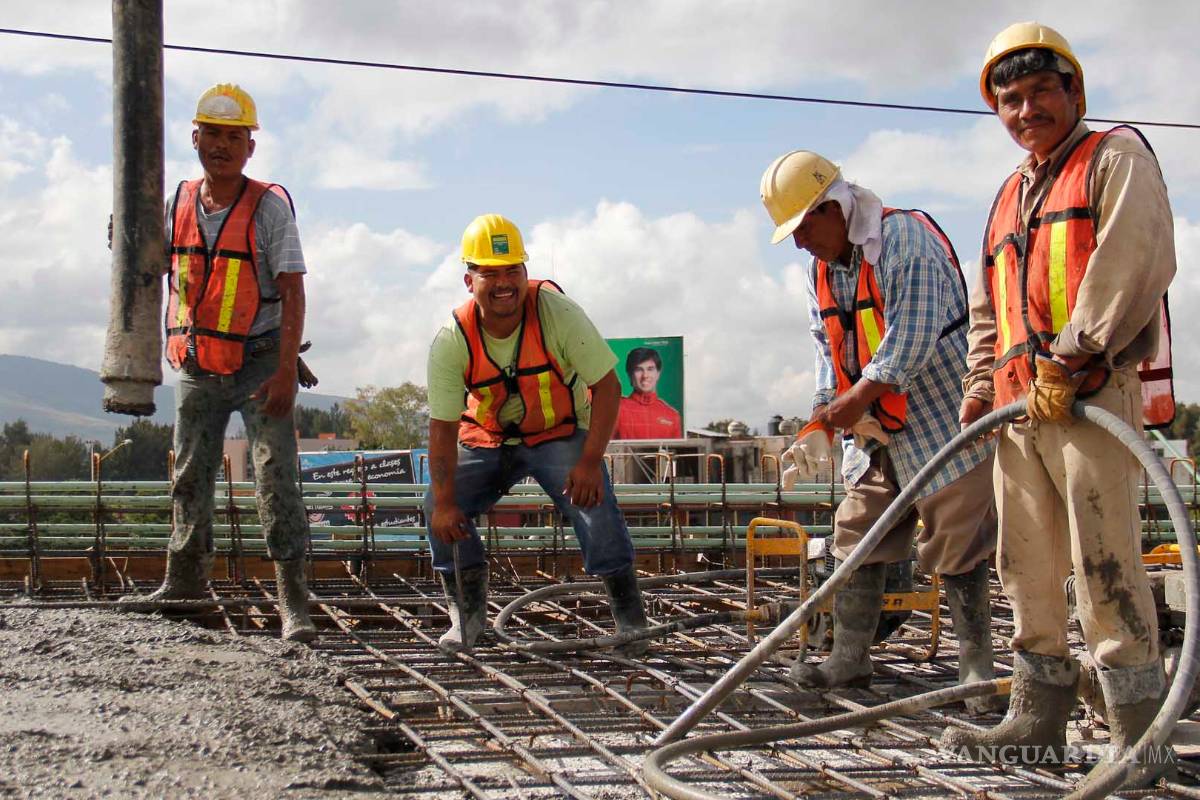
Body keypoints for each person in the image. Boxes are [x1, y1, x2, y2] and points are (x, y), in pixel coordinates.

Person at [943, 23, 1176, 778]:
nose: (1025, 109)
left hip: (1088, 397)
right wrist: (981, 386)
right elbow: (992, 307)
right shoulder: (1010, 194)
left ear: (1074, 90)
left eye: (1041, 91)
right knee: (1026, 568)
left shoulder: (1114, 159)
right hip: (1019, 410)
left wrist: (1075, 354)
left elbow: (1132, 258)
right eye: (1009, 99)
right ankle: (1037, 723)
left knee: (1105, 564)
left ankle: (1138, 739)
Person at [759, 150, 999, 712]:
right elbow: (828, 346)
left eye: (802, 227)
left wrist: (853, 401)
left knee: (958, 542)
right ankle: (849, 657)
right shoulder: (822, 267)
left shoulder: (903, 242)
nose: (798, 242)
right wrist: (824, 412)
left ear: (833, 206)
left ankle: (976, 671)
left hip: (939, 417)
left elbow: (910, 339)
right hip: (875, 428)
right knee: (857, 532)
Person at [122, 84, 316, 643]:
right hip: (201, 361)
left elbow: (293, 293)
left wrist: (284, 370)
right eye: (213, 134)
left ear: (250, 148)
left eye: (235, 137)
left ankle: (293, 603)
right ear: (195, 139)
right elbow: (148, 260)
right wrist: (126, 237)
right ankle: (183, 583)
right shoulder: (178, 203)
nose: (223, 147)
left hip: (260, 360)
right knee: (189, 473)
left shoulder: (268, 208)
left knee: (275, 477)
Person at [424, 214, 650, 655]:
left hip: (558, 434)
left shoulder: (557, 314)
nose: (503, 283)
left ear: (526, 272)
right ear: (469, 280)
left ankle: (631, 622)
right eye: (490, 273)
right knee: (439, 504)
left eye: (513, 270)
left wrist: (587, 463)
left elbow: (607, 386)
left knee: (594, 500)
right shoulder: (453, 339)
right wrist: (447, 500)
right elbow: (442, 427)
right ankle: (467, 619)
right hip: (488, 439)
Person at [615, 347, 682, 439]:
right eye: (638, 369)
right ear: (630, 375)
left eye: (650, 369)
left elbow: (675, 452)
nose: (645, 375)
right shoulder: (616, 409)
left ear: (658, 374)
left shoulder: (672, 415)